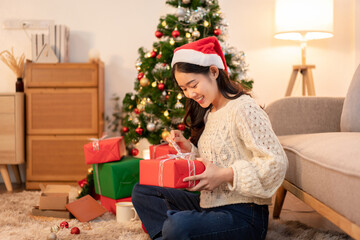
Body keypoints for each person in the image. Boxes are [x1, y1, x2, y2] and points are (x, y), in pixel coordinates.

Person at [132, 36, 288, 240]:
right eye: (184, 89)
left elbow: (276, 163)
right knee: (142, 191)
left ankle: (174, 232)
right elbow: (218, 158)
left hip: (246, 215)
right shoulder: (209, 112)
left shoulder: (244, 109)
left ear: (213, 72)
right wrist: (190, 149)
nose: (189, 94)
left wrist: (225, 175)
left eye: (193, 84)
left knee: (178, 225)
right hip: (210, 205)